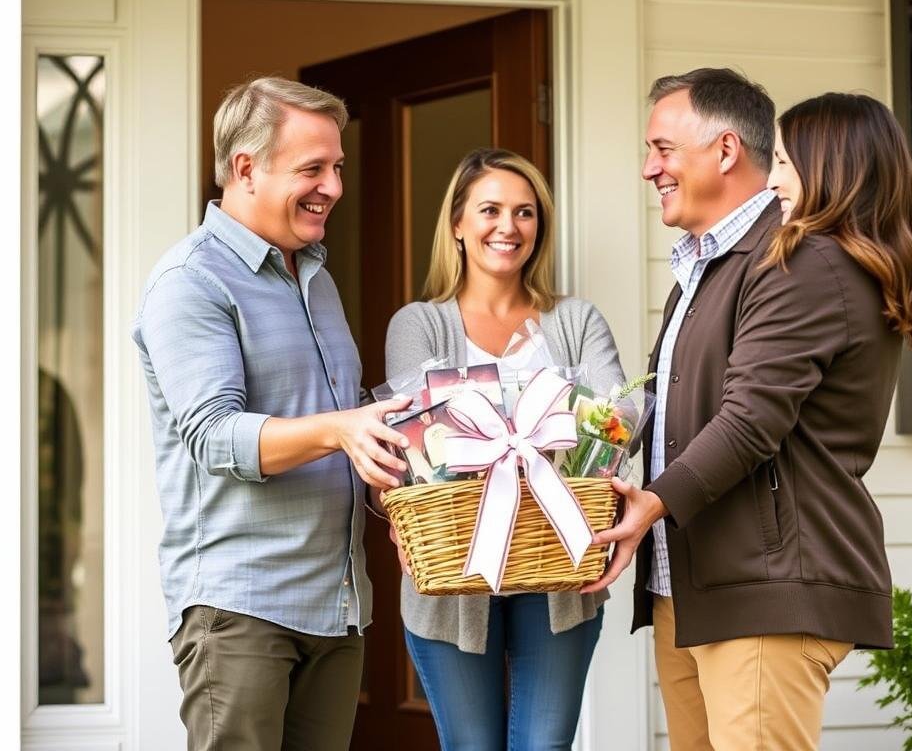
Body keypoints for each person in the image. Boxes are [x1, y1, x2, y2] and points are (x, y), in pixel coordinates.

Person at [583, 75, 912, 751]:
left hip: (762, 588)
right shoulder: (721, 263)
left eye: (781, 161)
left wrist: (652, 504)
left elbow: (751, 420)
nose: (773, 179)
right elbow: (678, 404)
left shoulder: (805, 262)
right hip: (698, 585)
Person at [131, 76, 411, 751]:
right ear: (245, 168)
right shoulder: (190, 282)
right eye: (312, 168)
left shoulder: (314, 276)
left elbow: (332, 421)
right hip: (241, 612)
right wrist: (341, 430)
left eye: (337, 167)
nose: (334, 187)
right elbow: (214, 435)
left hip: (338, 607)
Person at [384, 148, 626, 750]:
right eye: (489, 210)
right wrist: (551, 421)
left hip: (560, 570)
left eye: (525, 213)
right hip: (452, 576)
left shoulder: (575, 319)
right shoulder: (418, 324)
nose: (508, 227)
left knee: (544, 746)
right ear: (458, 224)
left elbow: (620, 418)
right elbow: (416, 445)